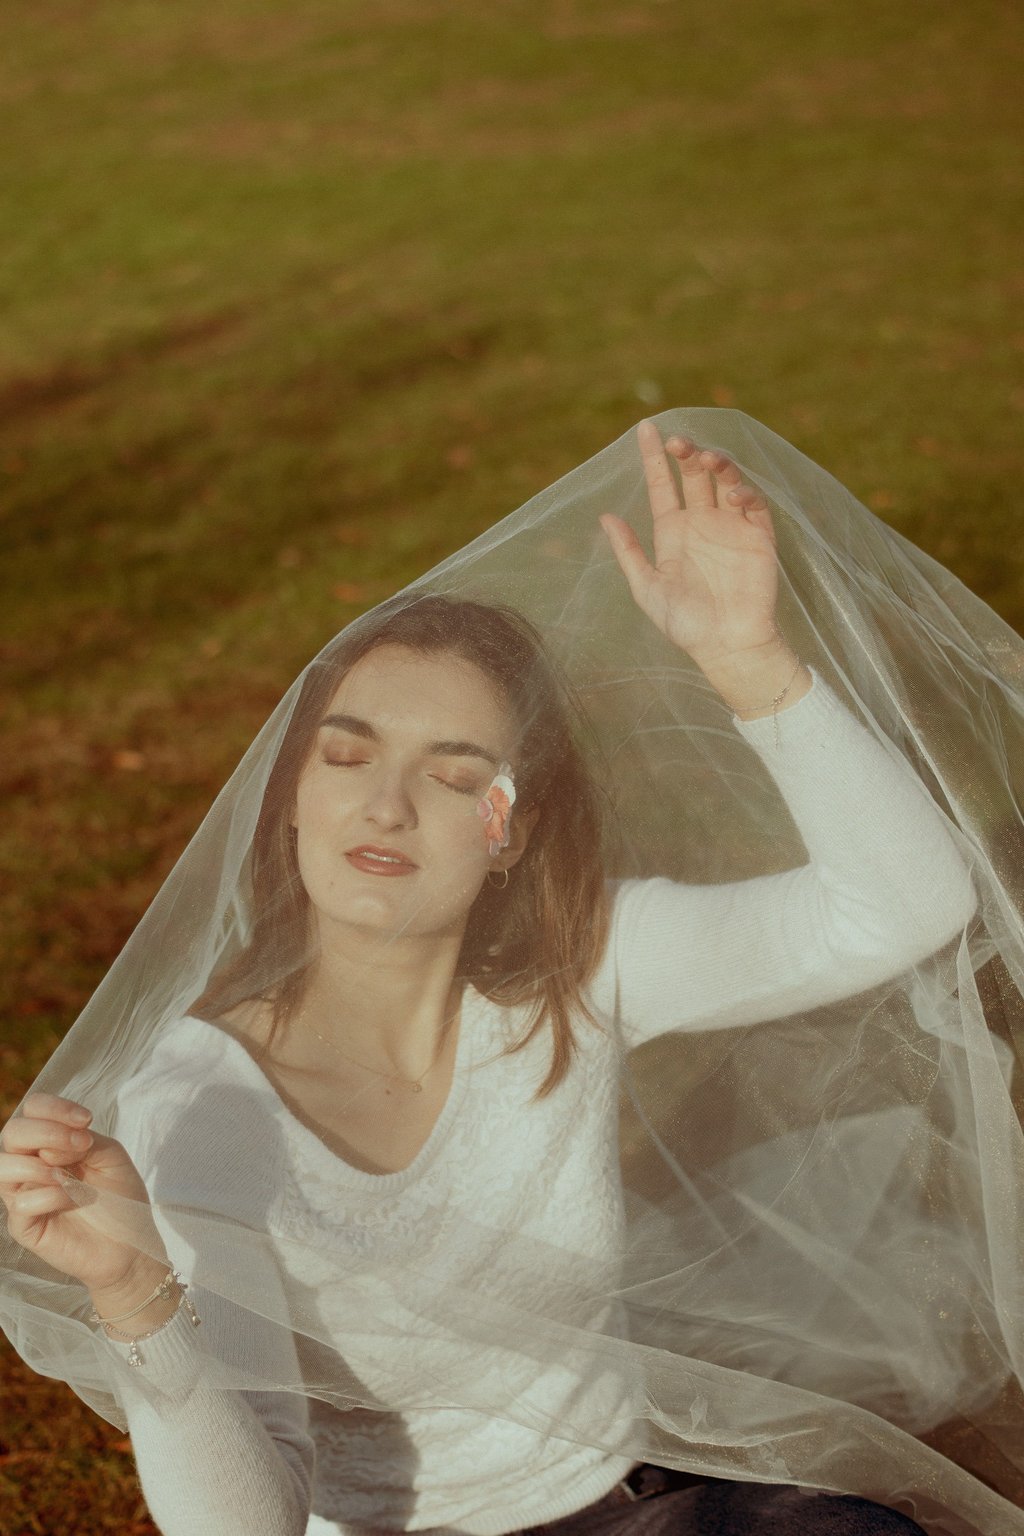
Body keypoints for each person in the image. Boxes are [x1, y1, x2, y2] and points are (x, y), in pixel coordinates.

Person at [2, 415, 1022, 1536]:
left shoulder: (574, 974)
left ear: (511, 834)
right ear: (288, 795)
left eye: (454, 776)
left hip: (632, 1503)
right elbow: (245, 1526)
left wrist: (748, 662)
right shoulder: (205, 1108)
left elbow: (906, 906)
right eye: (346, 755)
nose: (386, 804)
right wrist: (134, 1295)